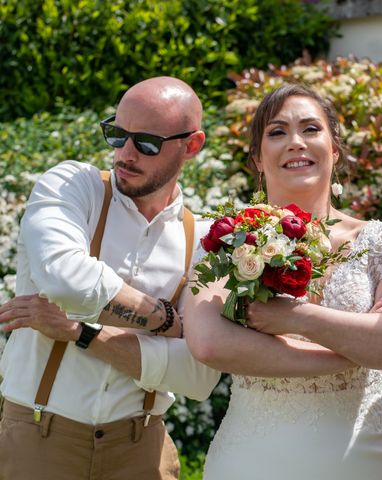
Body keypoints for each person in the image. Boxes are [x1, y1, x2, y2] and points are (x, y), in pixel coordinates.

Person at [183, 83, 382, 480]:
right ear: (257, 159)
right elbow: (209, 342)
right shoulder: (226, 241)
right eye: (277, 132)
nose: (296, 142)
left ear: (334, 149)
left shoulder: (381, 241)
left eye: (311, 129)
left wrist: (297, 318)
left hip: (363, 462)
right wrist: (359, 348)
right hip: (251, 461)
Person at [0, 76, 221, 480]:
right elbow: (66, 281)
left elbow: (198, 375)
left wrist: (79, 331)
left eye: (147, 142)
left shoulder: (204, 238)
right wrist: (168, 322)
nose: (125, 153)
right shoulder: (73, 187)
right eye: (117, 134)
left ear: (191, 145)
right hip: (39, 437)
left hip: (141, 449)